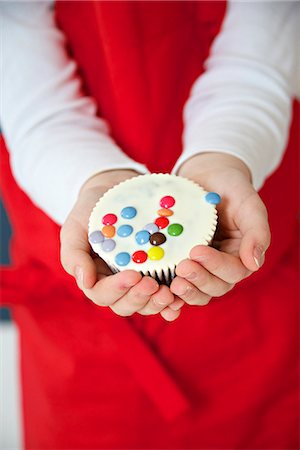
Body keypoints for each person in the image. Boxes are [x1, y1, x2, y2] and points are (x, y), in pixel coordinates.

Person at [0, 1, 299, 448]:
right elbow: (24, 78)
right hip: (80, 324)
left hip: (257, 306)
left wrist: (225, 152)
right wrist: (93, 180)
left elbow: (271, 32)